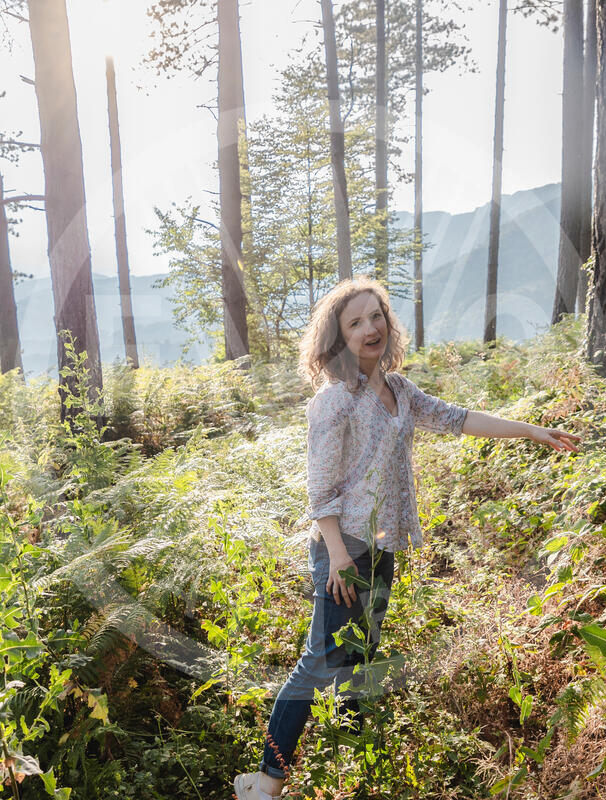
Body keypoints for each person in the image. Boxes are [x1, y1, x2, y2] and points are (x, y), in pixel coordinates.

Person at [233, 277, 582, 799]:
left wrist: (530, 430)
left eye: (376, 316)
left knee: (361, 658)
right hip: (344, 548)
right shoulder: (334, 401)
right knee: (318, 663)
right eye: (355, 322)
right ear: (338, 337)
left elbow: (457, 419)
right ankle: (265, 782)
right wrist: (337, 558)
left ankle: (354, 767)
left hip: (382, 544)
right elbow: (320, 489)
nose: (370, 328)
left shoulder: (398, 389)